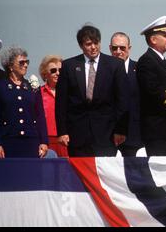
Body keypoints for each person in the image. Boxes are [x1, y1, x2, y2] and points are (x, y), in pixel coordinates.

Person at [55, 24, 129, 157]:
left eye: (96, 43)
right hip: (77, 135)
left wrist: (121, 130)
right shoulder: (69, 66)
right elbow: (61, 102)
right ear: (81, 45)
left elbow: (122, 100)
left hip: (107, 134)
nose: (93, 47)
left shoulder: (115, 65)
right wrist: (62, 132)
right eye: (89, 44)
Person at [136, 16, 166, 156]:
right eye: (165, 35)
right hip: (157, 130)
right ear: (153, 40)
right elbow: (155, 92)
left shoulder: (162, 61)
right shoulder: (146, 61)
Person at [0, 47, 48, 158]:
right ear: (10, 66)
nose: (25, 65)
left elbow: (40, 116)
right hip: (8, 142)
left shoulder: (32, 87)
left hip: (31, 142)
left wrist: (44, 141)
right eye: (21, 62)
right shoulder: (0, 87)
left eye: (27, 62)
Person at [109, 32, 143, 157]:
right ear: (109, 48)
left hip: (134, 135)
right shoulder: (101, 70)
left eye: (122, 48)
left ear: (129, 48)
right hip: (108, 136)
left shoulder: (139, 69)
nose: (118, 51)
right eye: (114, 48)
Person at [39, 55, 68, 157]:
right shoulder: (38, 93)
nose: (58, 73)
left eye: (60, 70)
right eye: (53, 70)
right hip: (47, 141)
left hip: (66, 139)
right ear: (45, 74)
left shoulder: (71, 93)